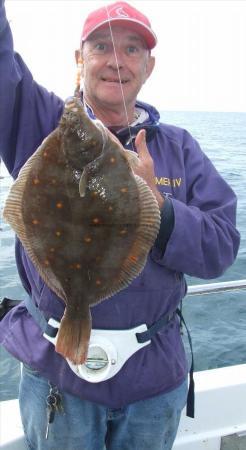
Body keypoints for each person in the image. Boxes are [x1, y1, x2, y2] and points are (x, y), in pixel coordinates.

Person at [0, 1, 240, 449]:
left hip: (153, 383)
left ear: (149, 67)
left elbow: (223, 247)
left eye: (132, 49)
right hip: (58, 376)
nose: (116, 60)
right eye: (101, 46)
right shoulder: (43, 124)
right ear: (80, 59)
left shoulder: (180, 149)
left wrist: (158, 206)